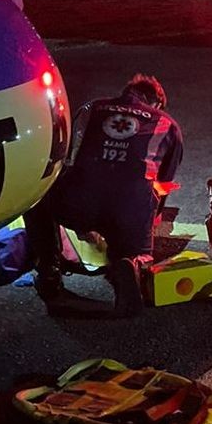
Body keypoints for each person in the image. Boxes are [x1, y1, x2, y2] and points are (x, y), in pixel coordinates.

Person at [33, 74, 184, 316]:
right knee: (136, 245)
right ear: (156, 103)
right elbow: (162, 185)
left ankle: (49, 273)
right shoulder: (168, 124)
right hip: (128, 211)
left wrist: (83, 220)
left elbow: (66, 157)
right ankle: (132, 262)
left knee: (37, 200)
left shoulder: (92, 108)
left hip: (79, 200)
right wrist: (148, 225)